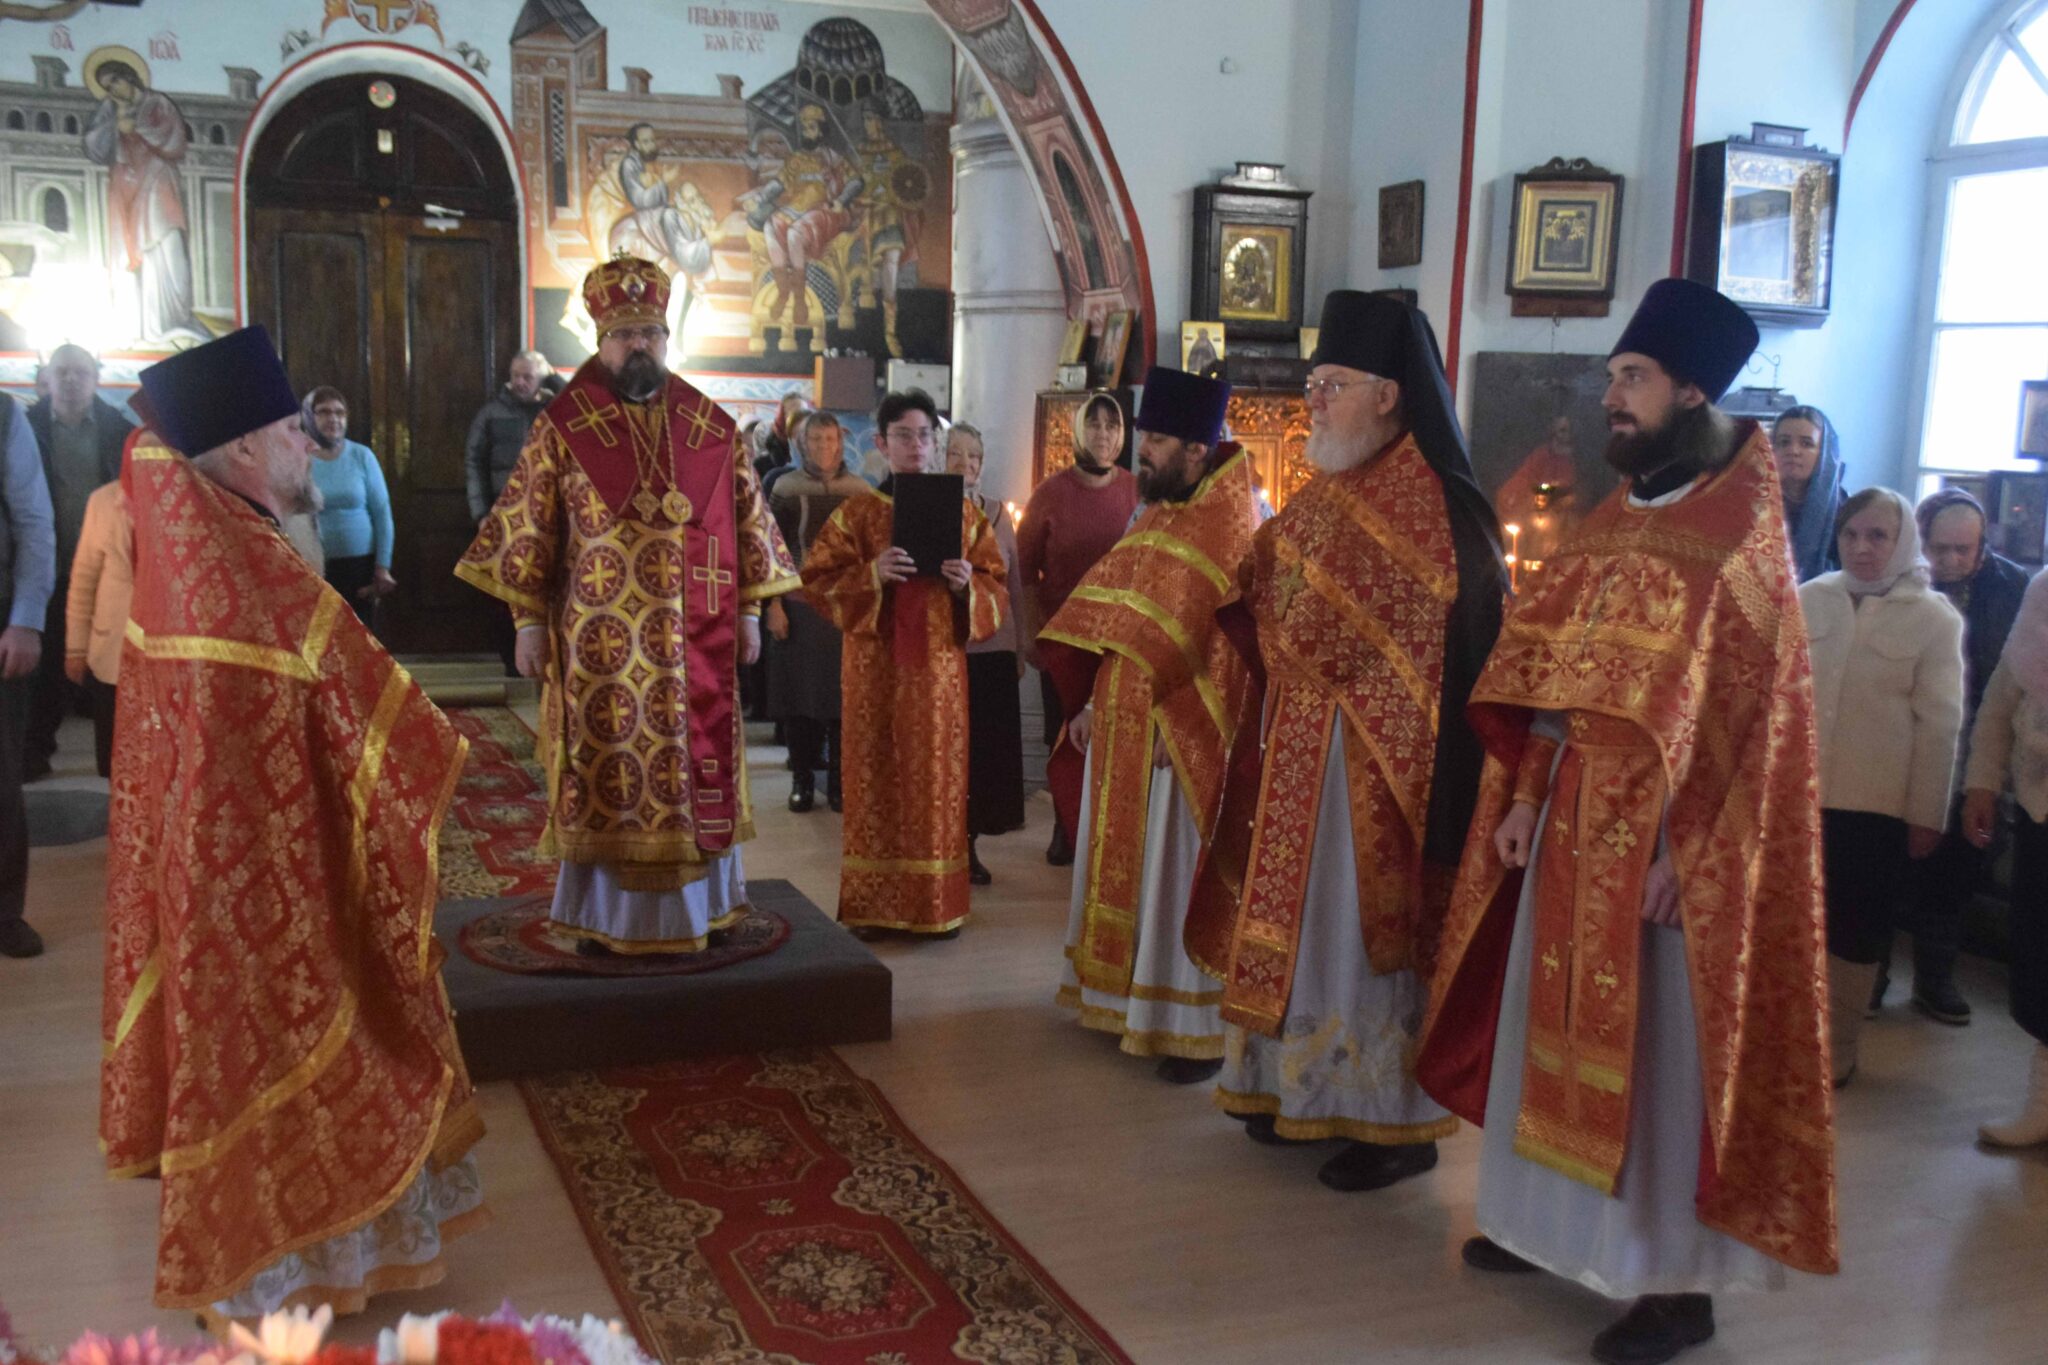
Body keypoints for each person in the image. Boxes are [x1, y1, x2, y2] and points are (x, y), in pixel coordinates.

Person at [1420, 279, 1837, 1365]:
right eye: (1610, 377)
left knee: (1652, 1066)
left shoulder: (1740, 536)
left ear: (1689, 390)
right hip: (1565, 821)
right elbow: (1550, 676)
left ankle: (1672, 1286)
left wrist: (1690, 856)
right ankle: (1539, 1225)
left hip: (1662, 850)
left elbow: (1758, 730)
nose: (1612, 396)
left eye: (1632, 380)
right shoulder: (1612, 522)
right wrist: (1517, 800)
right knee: (1543, 1032)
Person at [105, 326, 484, 1323]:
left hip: (239, 854)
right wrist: (429, 743)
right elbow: (350, 696)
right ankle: (281, 1261)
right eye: (286, 430)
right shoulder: (237, 574)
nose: (305, 447)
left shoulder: (208, 547)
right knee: (301, 1037)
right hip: (271, 861)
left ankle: (312, 1254)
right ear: (238, 449)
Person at [1186, 291, 1505, 1192]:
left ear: (1390, 395)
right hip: (1295, 749)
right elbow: (1263, 584)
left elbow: (1450, 647)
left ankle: (1389, 1125)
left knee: (1355, 936)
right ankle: (1292, 1088)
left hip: (1379, 773)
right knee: (1294, 925)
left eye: (1330, 385)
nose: (1312, 403)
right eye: (1313, 386)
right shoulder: (1331, 492)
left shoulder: (1442, 510)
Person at [457, 256, 800, 955]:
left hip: (697, 644)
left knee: (695, 773)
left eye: (651, 331)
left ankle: (706, 910)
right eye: (624, 334)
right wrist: (527, 622)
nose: (639, 345)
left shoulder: (711, 426)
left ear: (667, 337)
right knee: (605, 772)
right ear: (599, 339)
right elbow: (530, 526)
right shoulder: (561, 427)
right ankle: (605, 921)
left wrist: (750, 615)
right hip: (599, 650)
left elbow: (746, 521)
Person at [1043, 367, 1258, 1081]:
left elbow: (1228, 649)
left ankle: (1183, 1022)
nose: (1143, 452)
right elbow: (1122, 616)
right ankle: (1117, 996)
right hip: (1126, 718)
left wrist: (1183, 722)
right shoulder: (1160, 509)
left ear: (1198, 449)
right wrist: (1091, 704)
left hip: (1178, 732)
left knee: (1170, 871)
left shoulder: (1230, 523)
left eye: (1158, 439)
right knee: (1121, 863)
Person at [799, 389, 1007, 939]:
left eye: (925, 436)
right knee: (874, 776)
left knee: (935, 781)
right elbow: (817, 582)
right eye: (905, 436)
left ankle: (935, 905)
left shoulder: (966, 515)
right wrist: (872, 574)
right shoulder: (858, 513)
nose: (917, 446)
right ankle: (873, 906)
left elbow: (997, 585)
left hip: (938, 675)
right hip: (874, 672)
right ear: (881, 442)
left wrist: (968, 585)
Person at [1801, 488, 1964, 1085]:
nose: (1863, 548)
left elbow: (1940, 723)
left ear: (1902, 542)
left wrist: (1927, 814)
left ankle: (1838, 1047)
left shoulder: (1932, 618)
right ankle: (1790, 1038)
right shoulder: (1809, 599)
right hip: (1802, 799)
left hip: (1878, 809)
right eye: (1852, 535)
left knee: (1855, 930)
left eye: (1878, 536)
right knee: (1796, 925)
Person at [1890, 488, 2032, 1023]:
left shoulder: (2012, 588)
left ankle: (1934, 975)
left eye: (1962, 550)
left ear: (1983, 547)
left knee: (1957, 868)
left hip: (1978, 741)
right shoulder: (1896, 583)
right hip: (1905, 738)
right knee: (1892, 862)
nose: (1949, 561)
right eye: (1938, 548)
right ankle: (1873, 975)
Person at [1017, 392, 1137, 866]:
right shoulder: (1050, 493)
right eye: (1094, 425)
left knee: (1114, 736)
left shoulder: (1135, 489)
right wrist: (1032, 633)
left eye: (1112, 426)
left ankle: (1109, 833)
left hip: (1118, 637)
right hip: (1065, 640)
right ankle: (1066, 826)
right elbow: (1025, 572)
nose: (1103, 435)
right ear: (1078, 431)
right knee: (1064, 736)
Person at [1961, 569, 2048, 1147]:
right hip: (2042, 809)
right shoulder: (2043, 591)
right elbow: (2000, 700)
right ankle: (2042, 1106)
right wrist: (1981, 785)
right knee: (2042, 958)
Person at [24, 343, 130, 779]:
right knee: (46, 669)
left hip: (105, 570)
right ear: (47, 377)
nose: (70, 380)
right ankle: (34, 754)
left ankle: (116, 764)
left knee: (104, 670)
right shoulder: (24, 427)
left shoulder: (119, 430)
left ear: (96, 377)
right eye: (62, 372)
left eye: (80, 372)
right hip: (44, 567)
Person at [766, 412, 867, 814]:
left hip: (844, 606)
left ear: (840, 444)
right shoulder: (786, 487)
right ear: (802, 444)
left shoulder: (858, 489)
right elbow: (772, 551)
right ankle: (802, 780)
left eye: (830, 439)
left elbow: (867, 550)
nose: (824, 447)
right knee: (799, 702)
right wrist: (773, 605)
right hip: (798, 603)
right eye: (816, 440)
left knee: (842, 700)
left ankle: (840, 784)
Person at [948, 422, 1026, 881]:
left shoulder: (998, 513)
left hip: (993, 646)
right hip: (948, 647)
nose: (965, 464)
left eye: (973, 456)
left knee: (984, 754)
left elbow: (1012, 581)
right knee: (951, 751)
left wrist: (1020, 644)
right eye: (955, 454)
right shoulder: (929, 506)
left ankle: (971, 845)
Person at [81, 54, 202, 343]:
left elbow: (174, 138)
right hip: (125, 184)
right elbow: (93, 146)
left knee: (168, 245)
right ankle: (141, 326)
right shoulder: (109, 109)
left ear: (129, 77)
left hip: (158, 182)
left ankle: (174, 318)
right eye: (107, 87)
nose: (112, 90)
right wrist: (112, 126)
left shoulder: (156, 103)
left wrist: (136, 128)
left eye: (115, 82)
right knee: (132, 254)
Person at [0, 389, 55, 959]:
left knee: (0, 777)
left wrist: (26, 621)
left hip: (1, 627)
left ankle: (3, 912)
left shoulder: (3, 414)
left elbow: (34, 520)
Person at [466, 351, 553, 673]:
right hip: (502, 519)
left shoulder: (555, 410)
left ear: (542, 378)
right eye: (516, 375)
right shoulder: (491, 414)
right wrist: (480, 513)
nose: (520, 382)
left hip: (545, 518)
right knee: (504, 593)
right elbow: (474, 462)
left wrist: (555, 383)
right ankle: (510, 663)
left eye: (528, 376)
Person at [64, 438, 136, 780]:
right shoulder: (104, 501)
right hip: (112, 654)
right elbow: (83, 582)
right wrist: (76, 648)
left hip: (168, 657)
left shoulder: (184, 500)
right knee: (114, 762)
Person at [302, 387, 396, 628]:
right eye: (324, 412)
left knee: (360, 638)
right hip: (315, 566)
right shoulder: (299, 458)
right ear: (308, 417)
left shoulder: (362, 456)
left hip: (359, 567)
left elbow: (382, 513)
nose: (333, 419)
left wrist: (382, 566)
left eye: (340, 412)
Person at [1773, 404, 1845, 582]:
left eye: (1806, 444)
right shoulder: (1752, 502)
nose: (1793, 451)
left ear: (1824, 453)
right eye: (1784, 442)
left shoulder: (1847, 510)